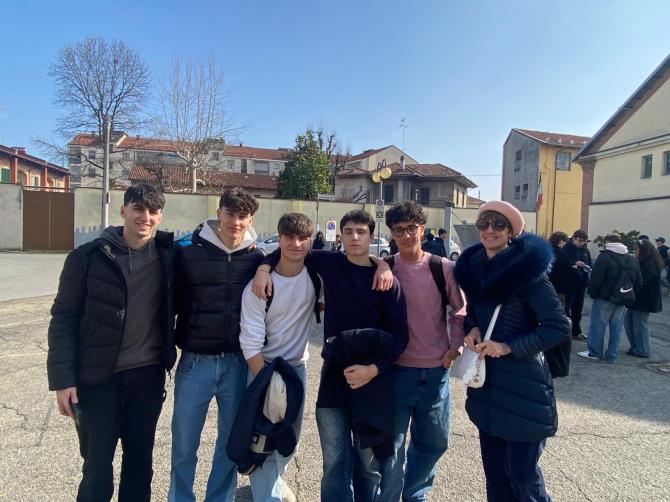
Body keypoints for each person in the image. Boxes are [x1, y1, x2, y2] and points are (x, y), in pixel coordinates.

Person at [252, 210, 407, 502]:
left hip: (373, 380)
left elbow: (401, 336)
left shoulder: (388, 282)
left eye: (361, 232)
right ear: (340, 236)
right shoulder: (330, 262)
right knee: (334, 459)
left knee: (368, 463)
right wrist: (263, 268)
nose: (354, 237)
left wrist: (374, 369)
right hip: (334, 375)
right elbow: (290, 250)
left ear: (372, 237)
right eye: (348, 232)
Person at [47, 184, 176, 502]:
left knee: (140, 466)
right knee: (96, 467)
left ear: (160, 216)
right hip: (97, 380)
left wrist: (262, 267)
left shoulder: (168, 256)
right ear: (123, 211)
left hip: (146, 377)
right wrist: (62, 381)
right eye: (138, 209)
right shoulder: (86, 257)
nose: (145, 217)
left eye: (153, 211)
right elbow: (63, 318)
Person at [453, 200, 570, 502]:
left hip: (523, 386)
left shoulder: (528, 273)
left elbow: (558, 326)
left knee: (522, 475)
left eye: (498, 224)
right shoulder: (474, 269)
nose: (489, 230)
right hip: (487, 385)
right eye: (484, 224)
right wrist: (472, 328)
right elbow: (475, 313)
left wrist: (508, 346)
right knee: (495, 475)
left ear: (511, 232)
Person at [169, 188, 264, 502]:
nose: (235, 222)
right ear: (219, 213)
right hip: (195, 362)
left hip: (236, 363)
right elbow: (168, 303)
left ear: (250, 220)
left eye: (242, 216)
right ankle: (180, 497)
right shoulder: (188, 253)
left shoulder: (256, 258)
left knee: (229, 444)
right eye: (230, 214)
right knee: (184, 443)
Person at [379, 202, 466, 502]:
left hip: (435, 370)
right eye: (399, 230)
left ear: (422, 229)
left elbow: (460, 311)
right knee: (390, 444)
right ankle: (389, 497)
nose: (406, 236)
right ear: (392, 234)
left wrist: (455, 347)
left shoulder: (442, 267)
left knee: (433, 441)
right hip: (395, 370)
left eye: (411, 229)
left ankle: (415, 494)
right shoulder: (385, 268)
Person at [239, 213, 320, 501]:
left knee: (290, 440)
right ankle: (268, 494)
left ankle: (273, 482)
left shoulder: (315, 276)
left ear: (311, 241)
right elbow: (249, 341)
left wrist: (381, 264)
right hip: (264, 367)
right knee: (263, 439)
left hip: (296, 367)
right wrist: (266, 381)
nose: (296, 244)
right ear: (279, 239)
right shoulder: (259, 286)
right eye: (289, 237)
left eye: (302, 238)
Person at [578, 233, 642, 363]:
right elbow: (639, 281)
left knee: (598, 326)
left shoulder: (604, 257)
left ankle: (595, 352)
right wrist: (629, 294)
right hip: (623, 298)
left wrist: (593, 294)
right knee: (617, 328)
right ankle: (612, 355)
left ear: (607, 242)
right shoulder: (631, 259)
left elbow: (596, 279)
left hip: (604, 298)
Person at [624, 239, 664, 358]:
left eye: (637, 249)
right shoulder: (645, 262)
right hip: (638, 298)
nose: (636, 251)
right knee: (629, 322)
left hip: (644, 299)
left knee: (640, 325)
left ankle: (642, 349)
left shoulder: (649, 264)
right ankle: (636, 347)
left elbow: (641, 281)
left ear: (644, 251)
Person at [563, 230, 592, 341]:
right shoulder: (566, 248)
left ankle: (576, 331)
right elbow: (562, 263)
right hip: (569, 284)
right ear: (573, 238)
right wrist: (574, 263)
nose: (581, 243)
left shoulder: (585, 250)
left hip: (581, 284)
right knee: (566, 309)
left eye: (583, 241)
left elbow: (590, 263)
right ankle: (565, 332)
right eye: (579, 240)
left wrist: (587, 268)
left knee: (578, 310)